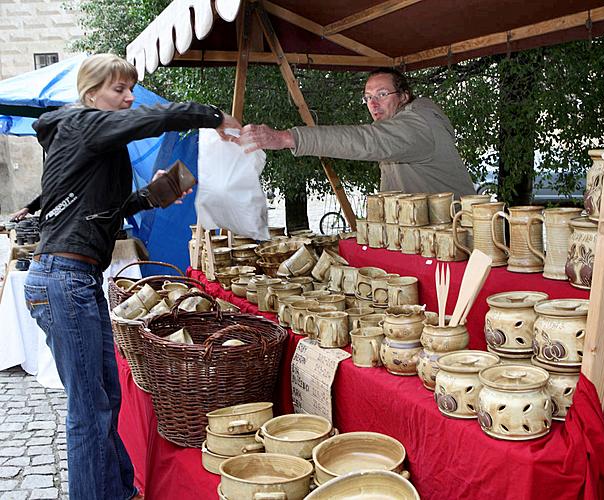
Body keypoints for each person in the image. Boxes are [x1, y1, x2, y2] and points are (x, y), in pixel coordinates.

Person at [23, 53, 240, 500]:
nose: (127, 97)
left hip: (73, 279)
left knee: (104, 401)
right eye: (118, 89)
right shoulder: (83, 122)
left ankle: (119, 491)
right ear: (90, 93)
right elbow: (152, 119)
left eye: (130, 88)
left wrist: (151, 195)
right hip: (64, 279)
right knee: (89, 411)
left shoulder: (91, 143)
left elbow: (103, 213)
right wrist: (212, 116)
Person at [240, 68, 476, 199]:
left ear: (403, 96)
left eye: (382, 94)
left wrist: (286, 138)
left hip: (457, 242)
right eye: (368, 97)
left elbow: (365, 141)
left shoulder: (419, 124)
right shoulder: (394, 126)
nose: (373, 103)